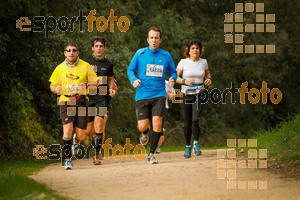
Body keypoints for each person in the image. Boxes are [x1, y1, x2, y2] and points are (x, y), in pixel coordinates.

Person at [127, 27, 177, 164]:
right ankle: (144, 133)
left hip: (159, 94)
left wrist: (172, 78)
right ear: (147, 39)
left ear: (160, 40)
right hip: (142, 94)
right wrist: (133, 80)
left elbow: (173, 72)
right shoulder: (140, 53)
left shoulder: (166, 55)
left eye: (156, 38)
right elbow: (130, 69)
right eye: (151, 38)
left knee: (157, 123)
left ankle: (152, 154)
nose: (154, 40)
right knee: (142, 126)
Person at [49, 43, 98, 169]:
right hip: (66, 100)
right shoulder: (60, 68)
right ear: (65, 53)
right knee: (68, 129)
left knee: (81, 134)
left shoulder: (85, 66)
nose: (71, 52)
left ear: (78, 53)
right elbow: (52, 85)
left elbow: (96, 82)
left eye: (74, 50)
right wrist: (56, 89)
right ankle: (68, 159)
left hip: (81, 101)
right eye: (68, 50)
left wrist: (87, 86)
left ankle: (76, 141)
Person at [82, 36, 116, 165]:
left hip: (102, 98)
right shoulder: (85, 62)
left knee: (99, 123)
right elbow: (80, 79)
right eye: (96, 46)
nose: (99, 48)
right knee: (89, 129)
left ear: (104, 48)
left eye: (101, 46)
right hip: (88, 98)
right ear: (92, 48)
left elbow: (111, 79)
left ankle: (96, 154)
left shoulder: (108, 63)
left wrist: (111, 89)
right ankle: (87, 137)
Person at [176, 39, 212, 159]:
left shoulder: (204, 62)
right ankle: (187, 146)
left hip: (200, 93)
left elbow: (207, 74)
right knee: (187, 122)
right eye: (193, 48)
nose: (195, 50)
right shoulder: (183, 62)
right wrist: (185, 81)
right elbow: (175, 77)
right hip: (185, 94)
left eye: (197, 48)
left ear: (200, 50)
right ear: (188, 51)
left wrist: (208, 79)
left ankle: (196, 143)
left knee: (195, 119)